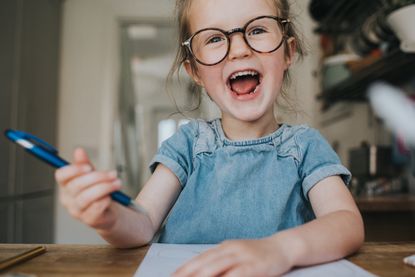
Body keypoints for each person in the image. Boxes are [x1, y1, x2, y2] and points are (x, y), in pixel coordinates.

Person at [55, 0, 365, 276]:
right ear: (196, 72)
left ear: (288, 52)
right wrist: (108, 219)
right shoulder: (189, 144)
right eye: (215, 38)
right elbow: (143, 223)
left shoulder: (305, 146)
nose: (240, 48)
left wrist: (279, 250)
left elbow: (346, 223)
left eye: (257, 30)